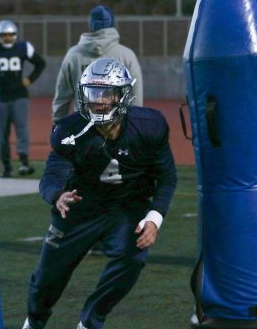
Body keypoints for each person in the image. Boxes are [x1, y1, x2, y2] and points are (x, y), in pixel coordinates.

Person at [22, 58, 177, 329]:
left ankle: (89, 322)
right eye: (92, 93)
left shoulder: (148, 126)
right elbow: (52, 174)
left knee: (133, 256)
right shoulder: (70, 130)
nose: (99, 101)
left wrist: (154, 217)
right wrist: (57, 195)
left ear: (123, 95)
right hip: (80, 207)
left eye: (107, 93)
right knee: (47, 278)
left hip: (127, 207)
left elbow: (166, 177)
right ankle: (34, 322)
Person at [52, 5, 144, 124]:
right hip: (117, 128)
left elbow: (62, 96)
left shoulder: (73, 55)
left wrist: (58, 124)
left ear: (91, 25)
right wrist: (133, 126)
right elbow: (135, 97)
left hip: (83, 126)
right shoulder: (126, 55)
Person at [0, 20, 46, 177]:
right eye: (4, 35)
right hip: (1, 97)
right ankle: (7, 166)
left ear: (15, 35)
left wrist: (29, 80)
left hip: (19, 96)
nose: (8, 38)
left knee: (22, 129)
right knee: (2, 133)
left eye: (10, 34)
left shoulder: (23, 47)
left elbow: (40, 63)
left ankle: (24, 163)